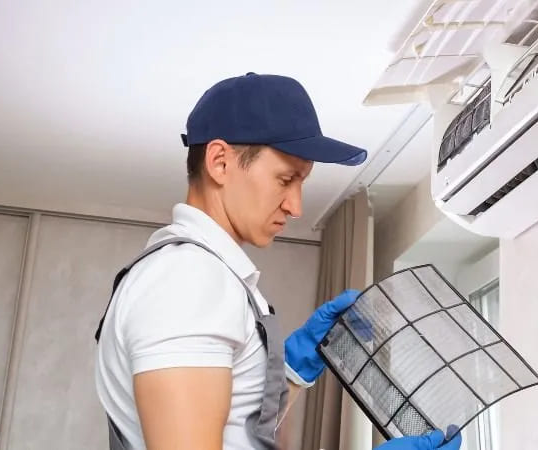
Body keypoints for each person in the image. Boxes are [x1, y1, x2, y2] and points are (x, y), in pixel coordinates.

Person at [93, 73, 462, 450]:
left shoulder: (197, 274)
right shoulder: (187, 279)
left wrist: (291, 370)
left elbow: (236, 430)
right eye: (286, 179)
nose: (296, 206)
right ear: (220, 162)